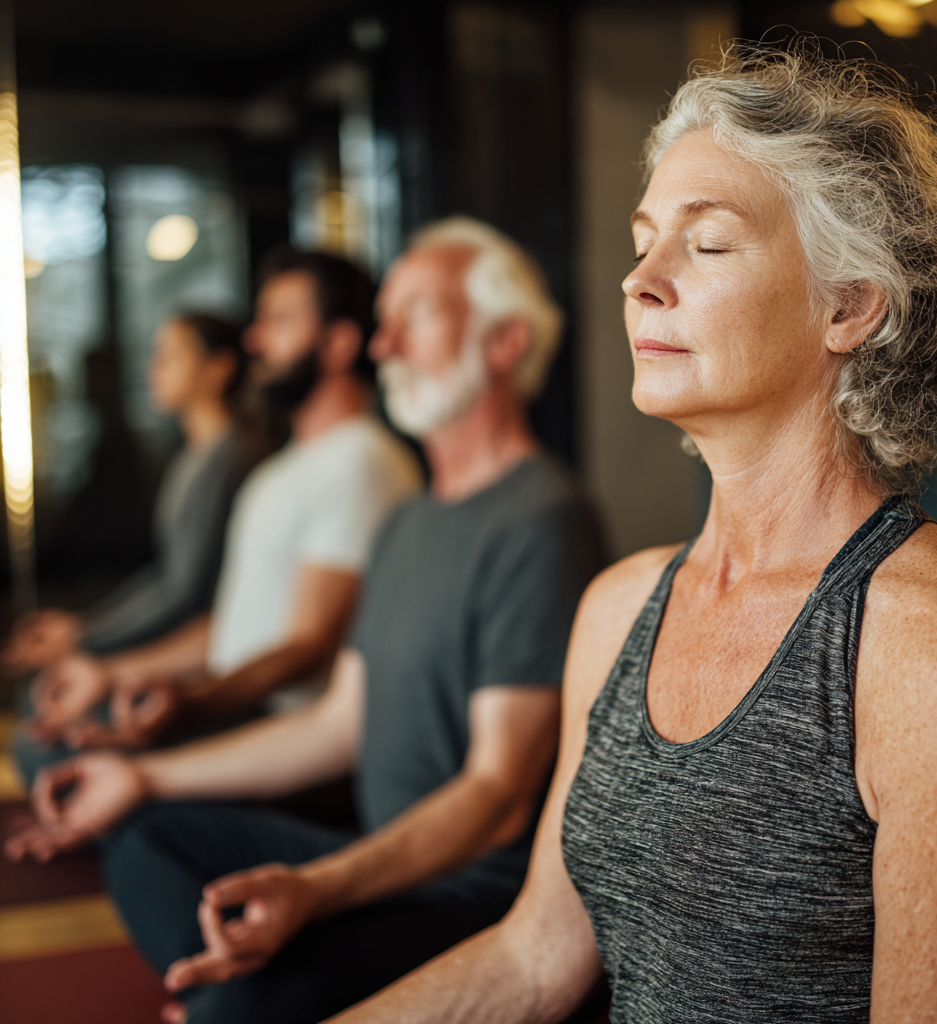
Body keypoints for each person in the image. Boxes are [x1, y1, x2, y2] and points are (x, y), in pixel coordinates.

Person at [274, 44, 937, 1024]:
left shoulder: (929, 646)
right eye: (641, 240)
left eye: (705, 246)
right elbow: (536, 957)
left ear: (847, 306)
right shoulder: (619, 605)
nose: (640, 281)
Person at [5, 217, 607, 1024]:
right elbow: (338, 721)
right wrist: (144, 774)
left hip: (470, 894)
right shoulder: (411, 519)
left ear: (504, 343)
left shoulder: (541, 516)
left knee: (236, 1005)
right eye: (383, 319)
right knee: (146, 833)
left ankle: (236, 994)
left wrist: (313, 891)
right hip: (376, 851)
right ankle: (237, 986)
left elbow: (497, 795)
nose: (384, 344)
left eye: (416, 315)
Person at [13, 249, 421, 773]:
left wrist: (191, 703)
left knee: (49, 747)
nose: (255, 339)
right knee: (48, 722)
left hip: (283, 723)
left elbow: (307, 644)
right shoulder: (286, 467)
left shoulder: (360, 459)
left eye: (279, 320)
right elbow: (227, 626)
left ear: (339, 343)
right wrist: (111, 671)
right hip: (239, 700)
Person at [6, 314, 254, 751]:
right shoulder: (192, 457)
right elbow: (166, 575)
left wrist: (86, 637)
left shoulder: (230, 459)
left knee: (40, 719)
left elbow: (185, 592)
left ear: (219, 368)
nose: (153, 368)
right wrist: (84, 627)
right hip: (185, 641)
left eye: (170, 356)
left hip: (210, 658)